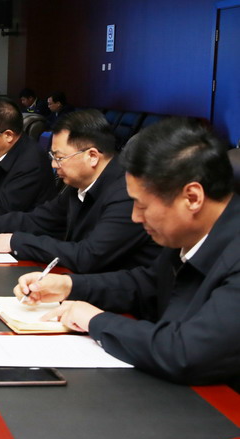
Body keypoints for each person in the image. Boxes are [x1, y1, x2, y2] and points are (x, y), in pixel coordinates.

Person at [14, 118, 240, 387]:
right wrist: (68, 286)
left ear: (192, 198)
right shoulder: (189, 234)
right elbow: (145, 285)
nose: (135, 217)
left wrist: (95, 321)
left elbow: (188, 352)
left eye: (141, 205)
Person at [0, 110, 160, 273]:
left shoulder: (127, 193)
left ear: (92, 156)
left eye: (59, 158)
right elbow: (39, 219)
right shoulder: (78, 183)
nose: (54, 165)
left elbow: (88, 255)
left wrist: (16, 242)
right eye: (53, 157)